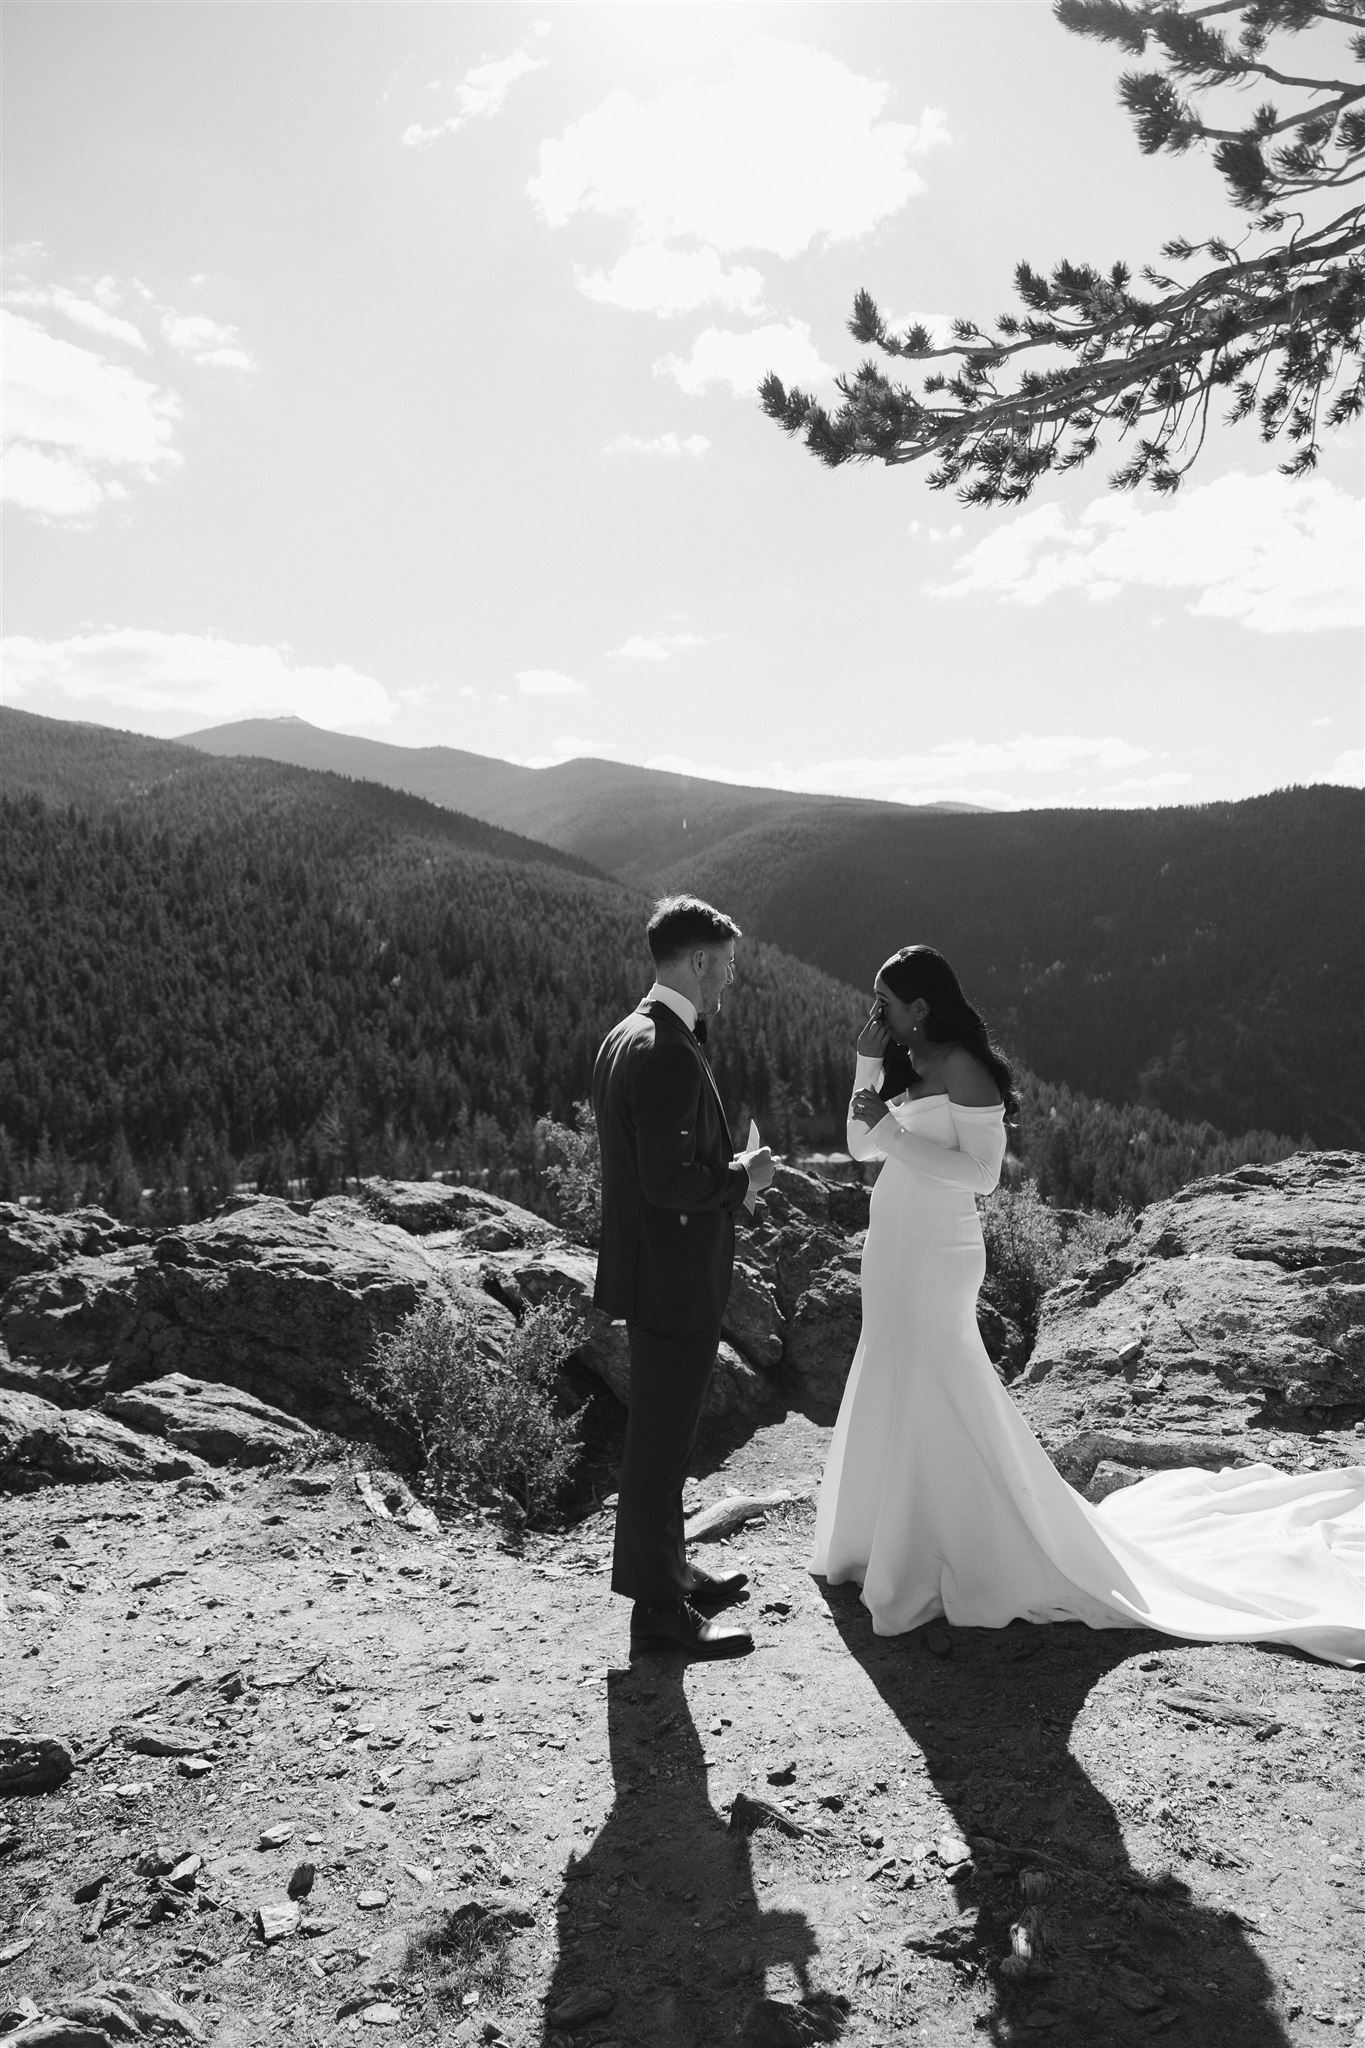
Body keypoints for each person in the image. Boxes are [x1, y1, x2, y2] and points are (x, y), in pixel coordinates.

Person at [811, 943, 1364, 1667]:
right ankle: (881, 1538)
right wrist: (864, 1068)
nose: (872, 1012)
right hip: (892, 1246)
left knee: (938, 1381)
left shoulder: (961, 1067)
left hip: (936, 1253)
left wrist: (887, 1131)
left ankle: (951, 1545)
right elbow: (858, 1144)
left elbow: (980, 1176)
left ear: (920, 1006)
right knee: (890, 1368)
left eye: (883, 1001)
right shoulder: (901, 1063)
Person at [593, 895, 775, 1659]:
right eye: (726, 966)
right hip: (673, 1275)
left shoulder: (626, 1034)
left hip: (650, 1269)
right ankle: (659, 1615)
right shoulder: (665, 1047)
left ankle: (672, 1571)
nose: (729, 982)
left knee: (663, 1435)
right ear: (697, 961)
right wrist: (744, 1175)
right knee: (660, 1443)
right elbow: (669, 1183)